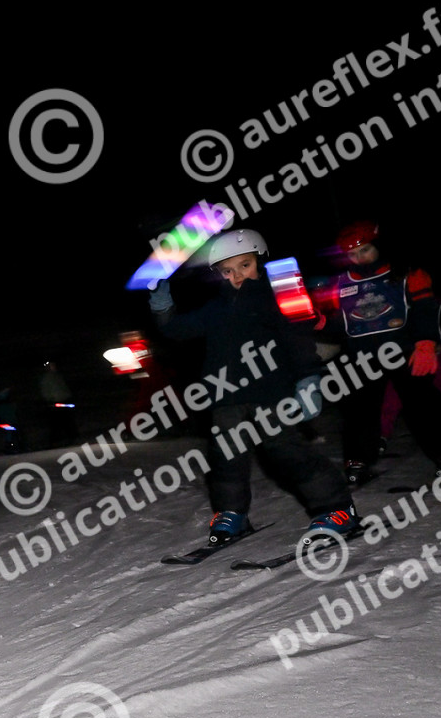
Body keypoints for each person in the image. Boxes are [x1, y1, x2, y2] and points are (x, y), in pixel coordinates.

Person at [149, 228, 358, 545]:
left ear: (259, 261)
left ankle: (337, 508)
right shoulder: (216, 307)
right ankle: (232, 513)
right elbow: (177, 330)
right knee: (225, 459)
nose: (236, 276)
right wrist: (162, 304)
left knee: (286, 453)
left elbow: (298, 340)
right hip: (226, 396)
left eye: (244, 265)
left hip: (272, 393)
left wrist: (308, 378)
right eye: (227, 270)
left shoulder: (278, 297)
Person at [317, 220, 441, 482]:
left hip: (404, 350)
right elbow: (340, 324)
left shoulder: (406, 273)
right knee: (359, 410)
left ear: (378, 245)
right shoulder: (341, 283)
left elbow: (425, 309)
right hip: (362, 356)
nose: (359, 258)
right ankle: (358, 462)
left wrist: (425, 342)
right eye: (352, 254)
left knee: (423, 405)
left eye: (364, 250)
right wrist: (319, 323)